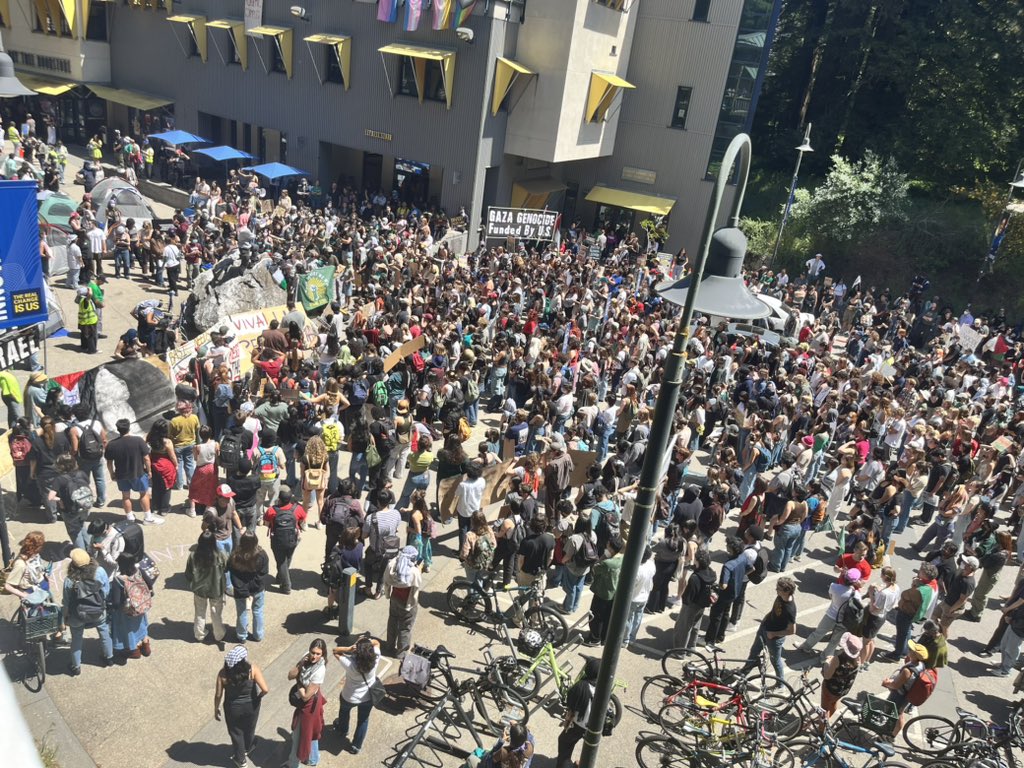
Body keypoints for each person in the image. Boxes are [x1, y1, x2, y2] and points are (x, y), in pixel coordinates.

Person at [214, 645, 269, 768]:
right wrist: (258, 697)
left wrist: (216, 708)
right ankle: (248, 748)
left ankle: (241, 760)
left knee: (236, 732)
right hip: (252, 705)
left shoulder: (223, 674)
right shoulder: (252, 670)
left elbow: (218, 694)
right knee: (250, 727)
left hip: (233, 708)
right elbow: (265, 689)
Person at [63, 547, 113, 675]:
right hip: (98, 610)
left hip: (77, 615)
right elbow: (106, 591)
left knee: (76, 639)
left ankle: (76, 666)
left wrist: (65, 617)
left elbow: (67, 602)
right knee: (104, 632)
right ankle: (109, 658)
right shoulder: (100, 571)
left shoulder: (69, 580)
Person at [738, 576, 797, 681]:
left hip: (774, 638)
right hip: (765, 628)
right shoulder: (781, 597)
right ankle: (744, 672)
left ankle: (780, 684)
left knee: (775, 661)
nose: (776, 590)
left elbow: (792, 631)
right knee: (754, 652)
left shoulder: (790, 609)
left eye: (778, 589)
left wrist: (774, 634)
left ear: (786, 591)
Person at [105, 418, 163, 525]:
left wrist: (112, 474)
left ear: (118, 429)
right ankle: (148, 518)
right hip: (138, 473)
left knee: (126, 496)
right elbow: (146, 458)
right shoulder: (138, 440)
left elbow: (109, 462)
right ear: (129, 427)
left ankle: (130, 518)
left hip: (121, 475)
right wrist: (149, 471)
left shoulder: (111, 444)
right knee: (143, 494)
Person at [332, 635, 382, 755]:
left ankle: (343, 730)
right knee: (363, 720)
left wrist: (349, 649)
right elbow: (377, 643)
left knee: (344, 712)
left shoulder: (350, 664)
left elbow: (335, 651)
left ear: (357, 652)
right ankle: (356, 746)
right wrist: (367, 642)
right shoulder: (375, 657)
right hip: (367, 697)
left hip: (349, 696)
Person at [286, 638, 327, 767]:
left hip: (310, 705)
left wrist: (299, 683)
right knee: (310, 732)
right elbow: (290, 675)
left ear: (323, 654)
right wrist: (299, 665)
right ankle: (313, 759)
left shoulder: (319, 671)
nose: (314, 656)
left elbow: (305, 696)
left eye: (318, 654)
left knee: (300, 736)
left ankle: (293, 764)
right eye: (312, 652)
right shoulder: (306, 658)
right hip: (309, 702)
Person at [185, 530, 228, 649]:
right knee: (216, 613)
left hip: (199, 590)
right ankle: (219, 634)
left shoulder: (193, 555)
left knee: (199, 612)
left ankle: (199, 634)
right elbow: (226, 567)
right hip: (216, 589)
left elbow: (188, 574)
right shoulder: (220, 555)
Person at [107, 552, 153, 661]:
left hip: (128, 610)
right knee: (140, 625)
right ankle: (146, 646)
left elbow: (117, 602)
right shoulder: (139, 571)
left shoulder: (119, 579)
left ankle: (134, 650)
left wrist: (110, 606)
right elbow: (150, 583)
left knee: (129, 630)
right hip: (141, 606)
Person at [881, 640, 931, 738]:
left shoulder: (907, 671)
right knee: (899, 713)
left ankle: (890, 735)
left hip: (899, 696)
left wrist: (886, 683)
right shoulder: (921, 665)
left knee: (897, 714)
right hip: (906, 695)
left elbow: (896, 685)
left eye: (911, 650)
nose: (908, 650)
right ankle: (890, 733)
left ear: (915, 655)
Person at [556, 656, 600, 768]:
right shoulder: (601, 687)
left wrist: (566, 723)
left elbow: (571, 708)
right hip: (594, 726)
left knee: (564, 743)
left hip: (579, 724)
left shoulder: (581, 686)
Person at [228, 531, 269, 643]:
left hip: (240, 590)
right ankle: (258, 635)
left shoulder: (235, 555)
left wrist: (243, 590)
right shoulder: (262, 555)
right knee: (258, 611)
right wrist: (254, 588)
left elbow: (233, 574)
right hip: (257, 590)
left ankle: (242, 636)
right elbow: (263, 573)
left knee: (242, 612)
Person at [264, 485, 305, 595]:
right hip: (293, 539)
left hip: (277, 540)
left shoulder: (272, 510)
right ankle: (280, 577)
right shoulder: (298, 509)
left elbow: (266, 523)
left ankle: (286, 586)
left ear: (279, 499)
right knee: (288, 557)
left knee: (281, 561)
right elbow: (302, 523)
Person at [586, 536, 624, 646]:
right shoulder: (622, 559)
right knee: (607, 617)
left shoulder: (608, 563)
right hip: (614, 593)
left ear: (611, 548)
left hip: (603, 593)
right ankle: (604, 638)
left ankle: (594, 638)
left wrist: (604, 556)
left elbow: (594, 569)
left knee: (596, 617)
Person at [384, 545, 422, 655]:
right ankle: (401, 653)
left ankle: (389, 646)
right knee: (405, 628)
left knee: (392, 622)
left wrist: (387, 594)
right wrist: (419, 569)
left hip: (394, 599)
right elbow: (417, 583)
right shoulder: (414, 572)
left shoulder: (393, 566)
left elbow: (386, 579)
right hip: (407, 603)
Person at [821, 633, 863, 718]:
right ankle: (829, 717)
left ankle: (821, 729)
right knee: (833, 703)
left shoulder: (838, 659)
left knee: (824, 710)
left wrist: (827, 662)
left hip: (830, 688)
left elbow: (827, 676)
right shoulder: (858, 659)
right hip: (842, 690)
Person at [624, 545, 656, 646]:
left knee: (628, 619)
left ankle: (625, 639)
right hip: (645, 596)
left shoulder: (636, 569)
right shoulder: (651, 564)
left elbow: (631, 585)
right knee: (638, 618)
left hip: (634, 597)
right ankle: (632, 637)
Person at [3, 531, 47, 598]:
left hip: (41, 584)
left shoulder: (35, 555)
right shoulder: (21, 564)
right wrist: (25, 596)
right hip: (30, 591)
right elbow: (8, 586)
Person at [460, 510, 496, 584]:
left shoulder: (470, 535)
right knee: (479, 579)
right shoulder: (489, 529)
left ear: (472, 522)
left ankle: (472, 595)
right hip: (485, 561)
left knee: (471, 582)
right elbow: (494, 545)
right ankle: (478, 594)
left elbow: (464, 554)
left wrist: (463, 559)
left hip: (473, 564)